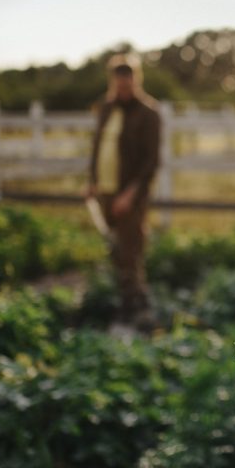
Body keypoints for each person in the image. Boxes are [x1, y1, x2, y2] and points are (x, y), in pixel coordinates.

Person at [86, 54, 162, 327]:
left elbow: (150, 161)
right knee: (115, 249)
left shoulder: (149, 113)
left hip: (129, 195)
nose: (123, 90)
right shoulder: (106, 108)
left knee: (130, 250)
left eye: (127, 85)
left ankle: (136, 310)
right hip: (105, 190)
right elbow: (98, 147)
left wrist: (129, 195)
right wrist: (92, 181)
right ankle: (124, 303)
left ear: (136, 81)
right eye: (119, 85)